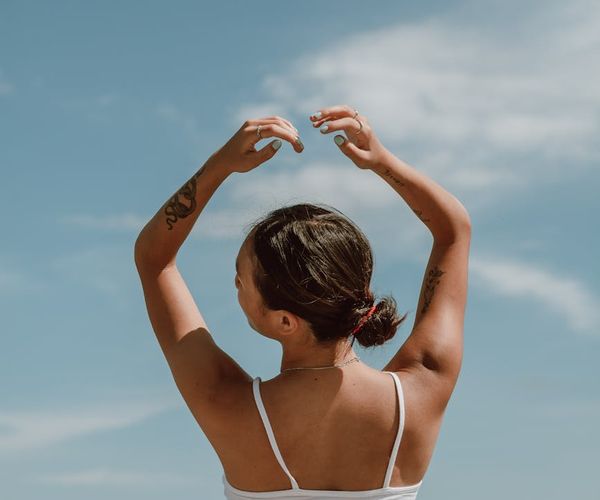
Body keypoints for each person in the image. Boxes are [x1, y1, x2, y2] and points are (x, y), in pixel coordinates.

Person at [134, 104, 471, 499]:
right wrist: (381, 160)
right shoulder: (422, 386)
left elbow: (153, 258)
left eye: (242, 280)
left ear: (285, 321)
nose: (235, 285)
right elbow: (453, 231)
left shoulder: (224, 401)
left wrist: (220, 166)